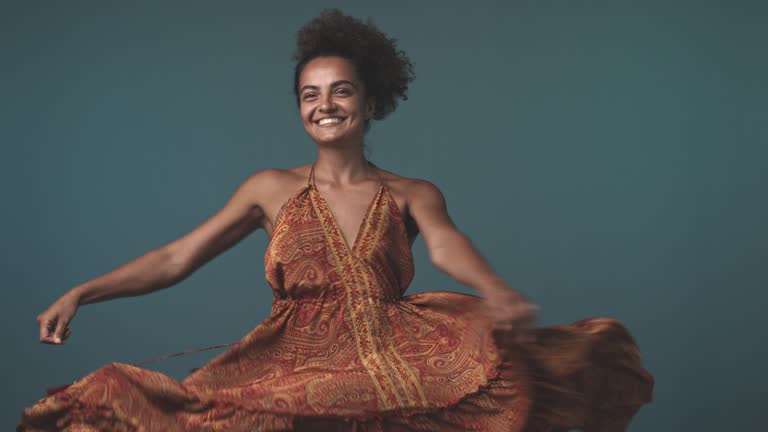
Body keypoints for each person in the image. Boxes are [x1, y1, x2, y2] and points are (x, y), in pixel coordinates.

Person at [18, 8, 654, 432]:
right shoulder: (270, 189)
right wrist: (83, 292)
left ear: (371, 101)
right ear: (300, 107)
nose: (324, 104)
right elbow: (176, 258)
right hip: (291, 364)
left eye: (341, 90)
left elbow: (448, 245)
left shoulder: (411, 192)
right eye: (310, 94)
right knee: (145, 405)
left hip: (397, 357)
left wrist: (496, 291)